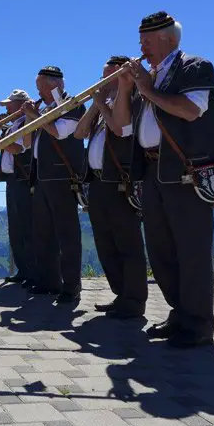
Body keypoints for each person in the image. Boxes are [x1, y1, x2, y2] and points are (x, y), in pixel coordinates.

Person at [113, 11, 214, 348]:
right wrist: (125, 88)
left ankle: (199, 324)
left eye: (147, 40)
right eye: (141, 40)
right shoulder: (147, 78)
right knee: (161, 250)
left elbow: (191, 110)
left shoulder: (194, 67)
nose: (141, 47)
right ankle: (180, 312)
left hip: (185, 172)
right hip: (151, 171)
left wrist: (146, 89)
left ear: (169, 39)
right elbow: (121, 126)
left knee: (191, 250)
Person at [75, 56, 147, 319]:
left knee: (127, 243)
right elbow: (79, 133)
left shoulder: (133, 101)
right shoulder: (103, 106)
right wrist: (96, 106)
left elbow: (121, 129)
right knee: (105, 243)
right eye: (102, 75)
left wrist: (102, 106)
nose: (103, 81)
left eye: (109, 76)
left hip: (121, 183)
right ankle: (121, 293)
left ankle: (135, 299)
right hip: (98, 182)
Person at [20, 66, 86, 304]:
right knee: (43, 232)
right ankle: (48, 281)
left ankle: (71, 286)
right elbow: (27, 143)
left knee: (66, 233)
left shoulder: (73, 104)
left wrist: (35, 116)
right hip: (42, 176)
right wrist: (29, 116)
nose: (39, 94)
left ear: (55, 86)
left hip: (62, 177)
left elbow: (59, 132)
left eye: (42, 89)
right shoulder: (45, 109)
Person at [0, 89, 39, 290]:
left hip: (23, 178)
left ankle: (33, 271)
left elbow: (18, 149)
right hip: (12, 178)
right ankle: (23, 270)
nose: (6, 108)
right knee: (15, 226)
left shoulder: (27, 122)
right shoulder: (12, 125)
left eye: (9, 104)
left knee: (26, 225)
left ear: (20, 104)